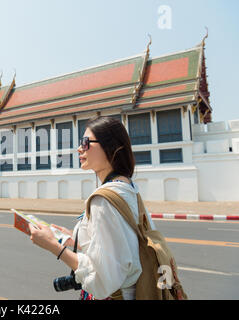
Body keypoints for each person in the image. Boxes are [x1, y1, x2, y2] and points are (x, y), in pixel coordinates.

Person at [28, 116, 157, 300]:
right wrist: (73, 241)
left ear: (110, 148)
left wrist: (53, 246)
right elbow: (120, 249)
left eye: (86, 142)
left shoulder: (103, 200)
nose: (79, 148)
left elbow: (101, 281)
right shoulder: (129, 188)